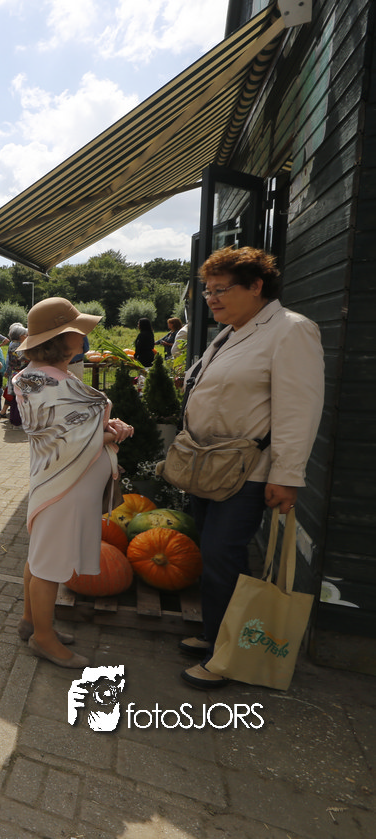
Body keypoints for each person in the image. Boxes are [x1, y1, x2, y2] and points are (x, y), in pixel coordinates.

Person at [174, 246, 324, 690]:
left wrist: (287, 476)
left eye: (221, 290)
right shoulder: (231, 333)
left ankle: (228, 657)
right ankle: (216, 634)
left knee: (223, 555)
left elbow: (299, 410)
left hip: (247, 471)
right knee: (213, 554)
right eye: (208, 291)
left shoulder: (291, 330)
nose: (211, 299)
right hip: (210, 466)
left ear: (257, 286)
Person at [14, 298, 133, 669]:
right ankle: (43, 639)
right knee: (49, 563)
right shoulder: (50, 380)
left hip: (57, 480)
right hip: (67, 483)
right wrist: (115, 433)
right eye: (77, 330)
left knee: (41, 556)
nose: (84, 335)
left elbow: (65, 427)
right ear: (59, 339)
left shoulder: (38, 376)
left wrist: (104, 426)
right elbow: (69, 436)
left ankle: (32, 622)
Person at [4, 323, 29, 426]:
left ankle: (14, 420)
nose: (26, 336)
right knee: (21, 398)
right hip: (20, 374)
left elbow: (10, 361)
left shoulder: (12, 345)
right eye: (25, 335)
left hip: (14, 373)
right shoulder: (21, 346)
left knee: (15, 398)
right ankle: (17, 421)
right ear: (20, 336)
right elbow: (23, 360)